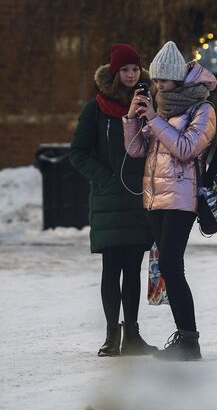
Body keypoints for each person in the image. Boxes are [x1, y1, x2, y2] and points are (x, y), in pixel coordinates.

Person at [123, 41, 217, 361]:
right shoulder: (160, 107)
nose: (158, 85)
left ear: (178, 78)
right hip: (155, 198)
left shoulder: (202, 109)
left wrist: (154, 118)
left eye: (163, 80)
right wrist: (133, 118)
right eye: (156, 81)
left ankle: (190, 340)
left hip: (182, 197)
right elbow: (136, 151)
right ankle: (185, 338)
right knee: (167, 266)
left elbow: (187, 148)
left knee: (172, 266)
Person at [70, 44, 158, 357]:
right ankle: (111, 336)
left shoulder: (149, 104)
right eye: (125, 69)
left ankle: (132, 334)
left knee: (133, 268)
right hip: (108, 199)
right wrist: (104, 179)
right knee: (111, 268)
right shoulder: (96, 108)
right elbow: (78, 152)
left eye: (135, 69)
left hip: (138, 199)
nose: (131, 74)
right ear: (114, 72)